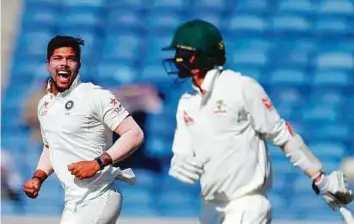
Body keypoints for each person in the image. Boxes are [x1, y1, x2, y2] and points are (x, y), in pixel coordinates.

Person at [163, 19, 353, 224]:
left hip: (246, 204)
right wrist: (180, 161)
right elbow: (182, 151)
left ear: (198, 56)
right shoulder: (186, 103)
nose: (176, 60)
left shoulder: (240, 87)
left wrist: (319, 177)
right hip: (210, 207)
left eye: (181, 54)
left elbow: (282, 134)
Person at [22, 35, 144, 224]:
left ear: (78, 65)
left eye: (70, 59)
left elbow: (134, 134)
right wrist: (38, 177)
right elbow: (50, 146)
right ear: (48, 65)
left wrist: (97, 163)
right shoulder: (45, 104)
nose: (64, 64)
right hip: (74, 201)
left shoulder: (95, 96)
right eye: (58, 58)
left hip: (99, 195)